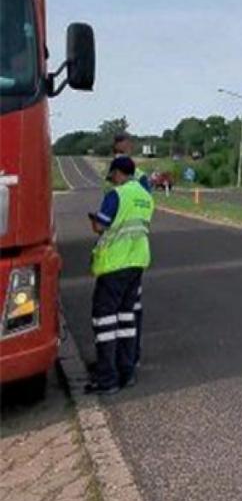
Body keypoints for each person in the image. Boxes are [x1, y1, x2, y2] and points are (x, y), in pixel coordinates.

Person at [85, 157, 154, 395]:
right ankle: (127, 372)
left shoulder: (117, 195)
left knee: (104, 321)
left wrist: (94, 220)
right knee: (127, 320)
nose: (112, 178)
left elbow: (101, 226)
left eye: (112, 174)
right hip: (137, 263)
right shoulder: (145, 196)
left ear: (117, 173)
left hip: (115, 265)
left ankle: (107, 380)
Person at [110, 131, 150, 366]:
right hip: (115, 255)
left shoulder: (139, 178)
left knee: (130, 309)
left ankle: (130, 356)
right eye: (116, 152)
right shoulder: (112, 180)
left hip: (131, 254)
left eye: (122, 152)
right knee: (117, 312)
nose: (119, 155)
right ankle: (120, 357)